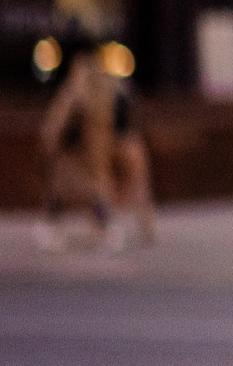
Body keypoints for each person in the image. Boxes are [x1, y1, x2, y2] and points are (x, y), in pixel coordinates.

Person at [38, 47, 154, 251]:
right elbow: (55, 128)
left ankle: (103, 224)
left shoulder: (107, 89)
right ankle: (58, 223)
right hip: (75, 150)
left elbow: (119, 122)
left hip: (97, 149)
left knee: (98, 186)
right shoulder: (74, 94)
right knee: (71, 187)